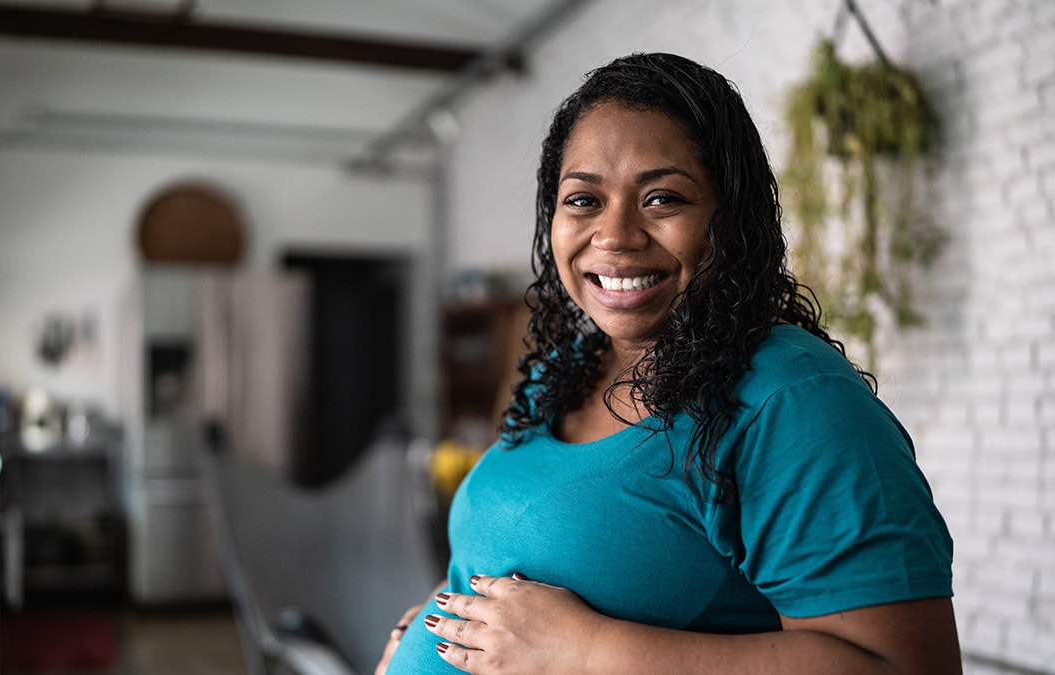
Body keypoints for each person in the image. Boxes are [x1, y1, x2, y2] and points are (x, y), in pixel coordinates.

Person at [377, 52, 960, 674]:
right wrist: (445, 622)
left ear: (731, 220)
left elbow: (904, 667)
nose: (615, 234)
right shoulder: (569, 368)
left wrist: (588, 652)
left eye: (662, 198)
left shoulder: (793, 402)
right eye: (583, 200)